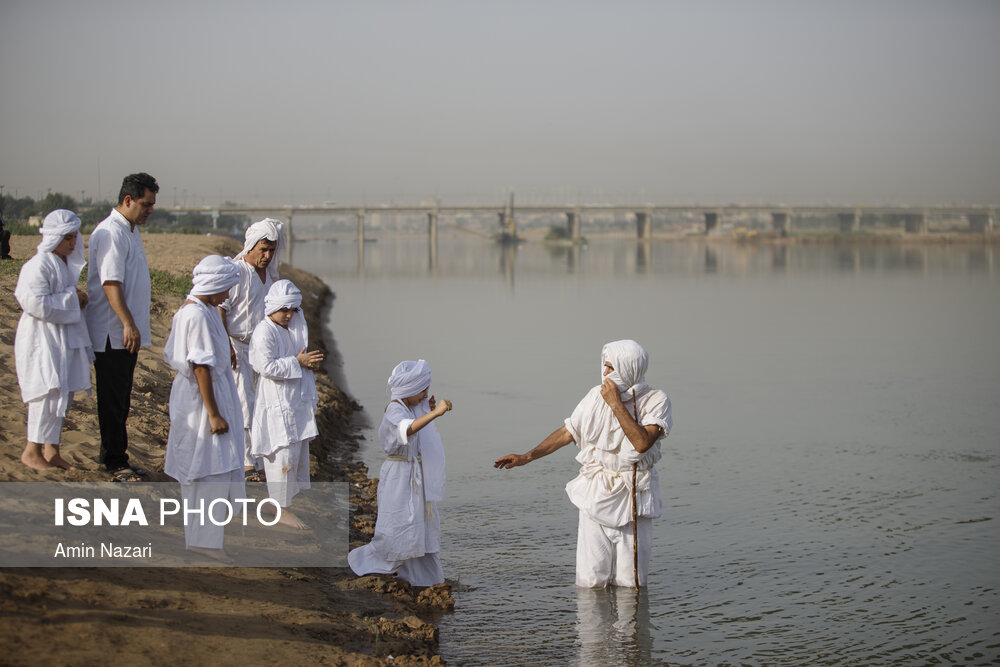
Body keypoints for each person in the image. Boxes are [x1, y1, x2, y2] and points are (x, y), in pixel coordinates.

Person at [494, 340, 672, 588]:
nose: (605, 373)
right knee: (590, 580)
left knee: (630, 582)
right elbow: (568, 432)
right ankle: (592, 626)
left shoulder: (655, 400)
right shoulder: (594, 396)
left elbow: (642, 443)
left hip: (634, 496)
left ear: (629, 368)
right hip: (595, 491)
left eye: (611, 367)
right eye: (604, 366)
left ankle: (631, 626)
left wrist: (616, 404)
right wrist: (527, 457)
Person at [163, 255, 245, 563]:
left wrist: (228, 349)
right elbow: (199, 365)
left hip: (212, 392)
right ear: (214, 285)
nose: (226, 297)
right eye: (225, 290)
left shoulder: (205, 309)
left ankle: (205, 539)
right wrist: (213, 413)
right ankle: (205, 542)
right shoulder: (195, 314)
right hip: (201, 400)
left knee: (213, 466)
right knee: (209, 468)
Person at [348, 360, 451, 587]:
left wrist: (426, 408)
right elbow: (407, 428)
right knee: (401, 524)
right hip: (399, 476)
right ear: (410, 389)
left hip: (413, 474)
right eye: (422, 390)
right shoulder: (395, 409)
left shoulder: (407, 406)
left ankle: (424, 577)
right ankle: (385, 564)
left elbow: (414, 418)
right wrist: (435, 414)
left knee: (420, 525)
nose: (425, 394)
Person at [85, 172, 158, 482]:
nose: (150, 211)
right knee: (113, 399)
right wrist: (127, 323)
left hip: (124, 333)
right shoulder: (111, 232)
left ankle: (119, 456)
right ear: (128, 200)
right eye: (146, 204)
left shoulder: (129, 229)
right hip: (111, 332)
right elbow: (110, 283)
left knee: (122, 398)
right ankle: (113, 462)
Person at [13, 210, 94, 471]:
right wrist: (74, 300)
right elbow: (32, 302)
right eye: (66, 237)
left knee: (62, 393)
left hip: (62, 340)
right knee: (46, 394)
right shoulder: (38, 265)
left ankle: (52, 451)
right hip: (42, 340)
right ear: (53, 238)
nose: (72, 243)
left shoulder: (61, 264)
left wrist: (76, 298)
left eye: (74, 237)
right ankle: (31, 451)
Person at [249, 280, 323, 530]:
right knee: (282, 454)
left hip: (293, 402)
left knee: (294, 452)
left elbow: (297, 358)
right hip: (275, 402)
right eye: (285, 310)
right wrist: (297, 362)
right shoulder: (264, 332)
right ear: (273, 307)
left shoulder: (288, 330)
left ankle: (277, 502)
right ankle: (282, 510)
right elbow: (265, 366)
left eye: (293, 310)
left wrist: (307, 363)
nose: (289, 315)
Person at [219, 218, 283, 483]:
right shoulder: (236, 271)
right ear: (251, 246)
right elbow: (220, 308)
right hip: (236, 344)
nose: (267, 256)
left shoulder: (269, 276)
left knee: (261, 405)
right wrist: (225, 344)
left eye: (271, 251)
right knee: (244, 404)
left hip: (261, 351)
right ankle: (246, 463)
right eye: (263, 249)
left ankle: (256, 458)